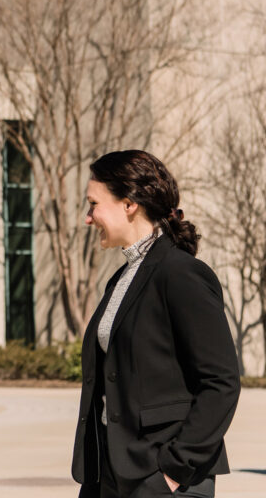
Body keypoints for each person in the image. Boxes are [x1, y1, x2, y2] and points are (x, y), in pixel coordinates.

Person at [72, 150, 240, 498]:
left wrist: (174, 470)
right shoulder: (122, 278)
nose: (88, 218)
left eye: (93, 204)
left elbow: (221, 382)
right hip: (112, 473)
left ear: (129, 204)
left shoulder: (181, 274)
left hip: (164, 479)